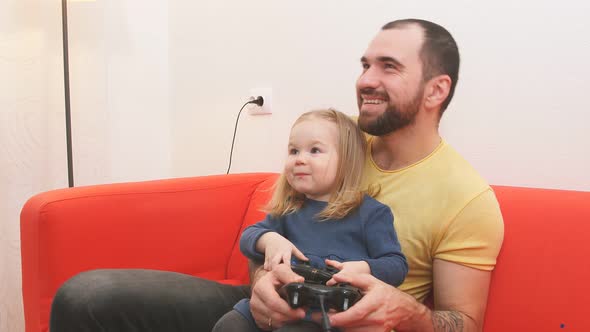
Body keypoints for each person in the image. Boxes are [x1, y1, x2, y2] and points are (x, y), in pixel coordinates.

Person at [50, 18, 504, 332]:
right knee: (85, 296)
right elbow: (273, 230)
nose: (366, 79)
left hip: (338, 322)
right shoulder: (334, 142)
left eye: (389, 67)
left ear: (436, 89)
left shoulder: (465, 197)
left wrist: (405, 310)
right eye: (365, 64)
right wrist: (264, 279)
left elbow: (463, 323)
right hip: (261, 302)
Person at [213, 109, 408, 332]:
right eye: (293, 151)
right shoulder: (290, 207)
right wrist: (269, 239)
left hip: (334, 315)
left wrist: (364, 268)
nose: (300, 160)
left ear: (346, 161)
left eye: (314, 150)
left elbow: (397, 265)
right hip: (281, 304)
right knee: (229, 324)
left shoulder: (372, 213)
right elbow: (248, 238)